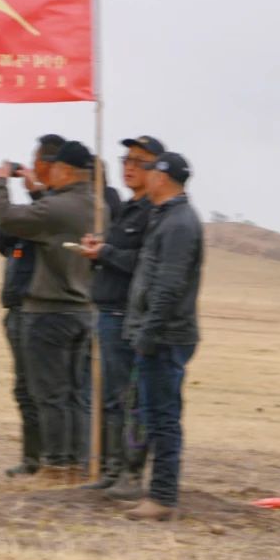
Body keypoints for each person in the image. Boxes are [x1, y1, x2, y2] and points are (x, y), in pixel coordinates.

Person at [0, 140, 95, 484]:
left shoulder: (58, 207)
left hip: (49, 309)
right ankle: (75, 466)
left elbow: (7, 219)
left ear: (63, 170)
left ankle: (54, 466)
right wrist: (38, 192)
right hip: (84, 310)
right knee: (75, 395)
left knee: (49, 394)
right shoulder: (97, 206)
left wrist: (1, 183)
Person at [76, 135, 165, 494]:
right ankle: (112, 470)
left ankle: (131, 474)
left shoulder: (153, 214)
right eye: (126, 160)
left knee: (131, 399)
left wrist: (106, 253)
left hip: (128, 315)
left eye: (139, 162)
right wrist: (99, 250)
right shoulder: (128, 208)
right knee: (112, 398)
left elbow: (144, 264)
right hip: (108, 312)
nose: (129, 167)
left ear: (158, 169)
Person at [0, 133, 65, 477]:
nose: (31, 168)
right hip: (18, 308)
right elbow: (6, 239)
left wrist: (7, 187)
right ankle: (33, 460)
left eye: (36, 161)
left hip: (37, 309)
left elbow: (15, 222)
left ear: (50, 164)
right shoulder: (39, 209)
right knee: (25, 389)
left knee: (42, 389)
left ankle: (53, 460)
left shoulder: (54, 207)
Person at [121, 152, 204, 521]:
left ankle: (163, 497)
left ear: (162, 178)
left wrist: (148, 334)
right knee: (156, 415)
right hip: (160, 332)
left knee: (162, 418)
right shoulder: (167, 217)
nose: (144, 174)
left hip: (165, 335)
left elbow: (168, 288)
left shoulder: (179, 224)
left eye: (150, 170)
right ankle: (158, 493)